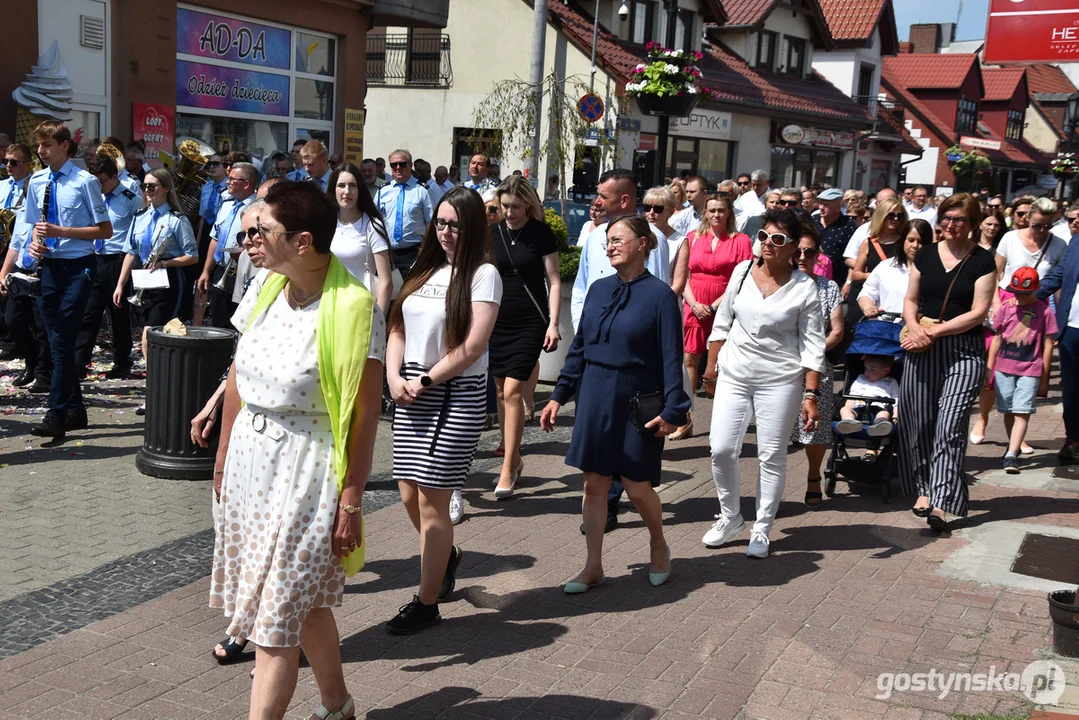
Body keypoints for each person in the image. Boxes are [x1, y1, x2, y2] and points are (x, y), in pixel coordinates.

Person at [209, 181, 383, 720]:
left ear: (304, 241)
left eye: (263, 230)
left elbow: (364, 414)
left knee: (275, 619)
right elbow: (239, 373)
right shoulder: (267, 283)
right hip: (249, 465)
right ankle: (338, 705)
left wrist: (351, 498)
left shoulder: (356, 308)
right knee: (303, 608)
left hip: (306, 473)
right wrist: (221, 455)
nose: (251, 239)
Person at [540, 215, 688, 592]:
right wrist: (559, 394)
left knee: (637, 487)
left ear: (643, 243)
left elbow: (672, 356)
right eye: (607, 241)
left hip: (637, 397)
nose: (610, 246)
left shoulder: (661, 296)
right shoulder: (598, 289)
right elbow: (581, 348)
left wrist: (674, 409)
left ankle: (658, 544)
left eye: (618, 239)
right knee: (593, 485)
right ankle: (593, 566)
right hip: (595, 394)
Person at [386, 186, 502, 634]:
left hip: (453, 393)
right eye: (440, 222)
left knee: (434, 502)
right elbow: (397, 326)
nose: (446, 231)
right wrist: (394, 377)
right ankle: (447, 555)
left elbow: (474, 346)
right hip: (410, 390)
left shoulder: (483, 274)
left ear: (472, 227)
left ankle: (426, 601)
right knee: (408, 494)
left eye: (455, 224)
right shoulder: (425, 264)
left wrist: (427, 378)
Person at [701, 208, 825, 557]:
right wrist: (711, 368)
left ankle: (763, 527)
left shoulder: (805, 289)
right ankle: (730, 517)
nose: (768, 244)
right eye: (763, 236)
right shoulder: (742, 273)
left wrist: (810, 394)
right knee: (722, 448)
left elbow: (813, 347)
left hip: (779, 380)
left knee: (771, 455)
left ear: (793, 248)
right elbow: (722, 323)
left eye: (778, 240)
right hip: (735, 374)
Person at [899, 193, 996, 531]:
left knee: (950, 426)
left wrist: (935, 332)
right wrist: (915, 328)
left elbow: (978, 313)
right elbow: (910, 299)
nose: (951, 225)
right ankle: (924, 488)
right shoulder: (925, 254)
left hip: (963, 351)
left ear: (972, 225)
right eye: (947, 218)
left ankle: (941, 501)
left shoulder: (984, 260)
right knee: (920, 422)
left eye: (959, 220)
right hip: (922, 346)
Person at [21, 121, 112, 439]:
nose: (42, 151)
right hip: (49, 268)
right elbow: (35, 224)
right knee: (56, 340)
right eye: (39, 146)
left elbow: (105, 230)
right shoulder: (36, 181)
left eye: (47, 145)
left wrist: (62, 232)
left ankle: (56, 413)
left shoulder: (84, 181)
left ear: (64, 146)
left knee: (61, 340)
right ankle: (76, 410)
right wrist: (35, 242)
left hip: (79, 267)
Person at [489, 176, 561, 497]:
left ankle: (508, 466)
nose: (509, 212)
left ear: (528, 204)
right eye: (504, 206)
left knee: (515, 388)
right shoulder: (493, 234)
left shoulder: (541, 233)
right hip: (497, 319)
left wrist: (554, 323)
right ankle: (513, 455)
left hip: (531, 319)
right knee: (502, 389)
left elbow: (554, 281)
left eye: (515, 206)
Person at [112, 168, 198, 414]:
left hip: (167, 279)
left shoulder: (176, 219)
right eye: (145, 186)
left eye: (153, 186)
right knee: (155, 336)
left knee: (150, 336)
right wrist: (120, 284)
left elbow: (192, 256)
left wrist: (165, 263)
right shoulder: (139, 217)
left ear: (166, 189)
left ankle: (156, 392)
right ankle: (164, 386)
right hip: (143, 278)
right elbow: (130, 252)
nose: (147, 191)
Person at [571, 169, 669, 331]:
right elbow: (580, 289)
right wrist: (580, 328)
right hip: (591, 339)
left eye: (604, 197)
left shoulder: (652, 237)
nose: (597, 202)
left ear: (624, 200)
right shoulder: (595, 236)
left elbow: (659, 296)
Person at [73, 150, 141, 380]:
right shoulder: (95, 196)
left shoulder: (132, 199)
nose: (99, 186)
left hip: (118, 260)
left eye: (102, 181)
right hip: (96, 258)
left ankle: (122, 361)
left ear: (114, 177)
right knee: (88, 313)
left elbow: (136, 234)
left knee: (119, 314)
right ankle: (79, 363)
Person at [681, 194, 753, 411]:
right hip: (694, 303)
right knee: (689, 360)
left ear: (729, 212)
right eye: (712, 210)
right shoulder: (692, 237)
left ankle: (725, 415)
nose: (716, 214)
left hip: (726, 306)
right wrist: (694, 304)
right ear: (705, 212)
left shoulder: (741, 241)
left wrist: (714, 306)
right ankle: (685, 416)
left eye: (721, 210)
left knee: (723, 364)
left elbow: (741, 279)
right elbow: (683, 275)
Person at [790, 224, 844, 508]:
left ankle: (813, 477)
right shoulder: (780, 283)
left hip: (816, 365)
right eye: (797, 251)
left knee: (814, 429)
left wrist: (811, 353)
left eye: (808, 252)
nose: (802, 257)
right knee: (775, 429)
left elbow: (836, 330)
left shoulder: (828, 287)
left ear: (817, 255)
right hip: (781, 365)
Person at [987, 267, 1056, 474]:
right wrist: (990, 367)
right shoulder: (1006, 308)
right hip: (1004, 367)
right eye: (1017, 292)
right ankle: (1013, 447)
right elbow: (997, 337)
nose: (1020, 297)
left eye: (1025, 293)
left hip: (1030, 368)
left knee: (1022, 411)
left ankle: (1010, 455)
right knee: (1008, 409)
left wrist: (1045, 376)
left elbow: (1048, 344)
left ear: (1035, 290)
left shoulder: (1045, 311)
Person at [198, 162, 258, 328]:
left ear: (246, 184)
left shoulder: (257, 209)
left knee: (239, 322)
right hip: (221, 270)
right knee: (218, 321)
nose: (227, 182)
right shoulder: (226, 205)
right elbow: (215, 239)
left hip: (242, 273)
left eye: (232, 179)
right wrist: (206, 271)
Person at [1037, 237, 1079, 463]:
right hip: (1071, 329)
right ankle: (1072, 440)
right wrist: (1028, 295)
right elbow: (1057, 275)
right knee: (1072, 390)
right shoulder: (1077, 243)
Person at [329, 162, 393, 312]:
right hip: (330, 307)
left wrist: (378, 322)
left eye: (352, 185)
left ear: (360, 190)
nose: (347, 191)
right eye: (341, 185)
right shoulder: (326, 224)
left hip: (361, 309)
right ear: (334, 189)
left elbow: (386, 282)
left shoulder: (372, 225)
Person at [995, 197, 1067, 305]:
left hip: (1039, 302)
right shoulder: (1010, 238)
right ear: (1028, 218)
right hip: (1007, 299)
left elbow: (1057, 283)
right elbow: (994, 276)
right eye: (1036, 226)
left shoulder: (1059, 244)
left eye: (1048, 226)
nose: (1042, 230)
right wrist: (996, 303)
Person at [374, 149, 434, 278]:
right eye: (394, 164)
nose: (398, 167)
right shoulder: (382, 191)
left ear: (410, 165)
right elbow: (374, 221)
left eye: (402, 164)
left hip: (412, 253)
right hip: (386, 252)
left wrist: (424, 250)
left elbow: (430, 224)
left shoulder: (422, 191)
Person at [847, 198, 908, 318]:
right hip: (870, 298)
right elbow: (856, 274)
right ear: (882, 215)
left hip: (894, 300)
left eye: (899, 216)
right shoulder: (868, 243)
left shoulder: (905, 242)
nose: (895, 219)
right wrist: (877, 277)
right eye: (891, 215)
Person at [858, 218, 926, 317]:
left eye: (920, 242)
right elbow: (867, 293)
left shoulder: (932, 270)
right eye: (911, 240)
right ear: (903, 240)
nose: (915, 245)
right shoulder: (885, 266)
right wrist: (869, 307)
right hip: (883, 326)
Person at [836, 355, 900, 437]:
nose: (866, 372)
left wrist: (895, 416)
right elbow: (852, 396)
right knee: (844, 409)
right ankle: (849, 422)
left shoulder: (891, 382)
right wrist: (849, 408)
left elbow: (896, 399)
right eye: (865, 368)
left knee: (884, 414)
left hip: (879, 408)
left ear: (886, 371)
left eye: (872, 370)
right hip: (859, 407)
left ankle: (879, 426)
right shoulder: (860, 379)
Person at [643, 186, 690, 296]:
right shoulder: (636, 234)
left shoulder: (680, 241)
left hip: (666, 300)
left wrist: (661, 304)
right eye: (647, 207)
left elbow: (679, 284)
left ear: (671, 212)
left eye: (658, 209)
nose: (651, 212)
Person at [815, 188, 858, 290]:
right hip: (812, 279)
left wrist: (848, 282)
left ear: (838, 206)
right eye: (820, 204)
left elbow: (854, 255)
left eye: (826, 205)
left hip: (837, 283)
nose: (821, 208)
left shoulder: (848, 225)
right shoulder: (812, 221)